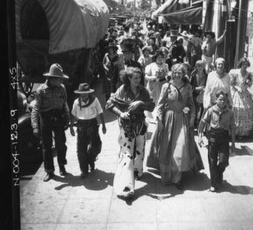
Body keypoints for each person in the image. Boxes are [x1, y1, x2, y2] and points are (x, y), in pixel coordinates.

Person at [147, 64, 204, 189]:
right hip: (168, 119)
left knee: (181, 146)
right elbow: (160, 105)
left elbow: (191, 104)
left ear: (183, 74)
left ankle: (177, 178)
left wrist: (192, 117)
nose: (177, 75)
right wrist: (160, 120)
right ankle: (170, 174)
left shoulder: (188, 87)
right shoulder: (166, 86)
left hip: (182, 119)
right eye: (175, 72)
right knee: (168, 147)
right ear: (172, 73)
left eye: (180, 72)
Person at [106, 67, 155, 200]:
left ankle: (137, 172)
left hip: (140, 126)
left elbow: (152, 106)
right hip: (126, 127)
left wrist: (141, 103)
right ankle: (126, 187)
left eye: (139, 78)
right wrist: (121, 113)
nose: (138, 80)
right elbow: (109, 104)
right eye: (135, 78)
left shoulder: (144, 91)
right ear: (128, 78)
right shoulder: (122, 90)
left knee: (139, 152)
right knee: (127, 155)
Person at [31, 63, 71, 181]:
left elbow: (65, 104)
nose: (61, 81)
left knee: (61, 144)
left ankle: (62, 166)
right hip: (46, 120)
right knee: (46, 146)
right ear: (52, 79)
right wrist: (35, 127)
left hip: (58, 118)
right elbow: (36, 109)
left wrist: (67, 119)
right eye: (59, 79)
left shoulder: (62, 88)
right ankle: (49, 171)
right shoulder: (41, 91)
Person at [198, 91, 235, 192]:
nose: (222, 101)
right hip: (213, 137)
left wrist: (233, 144)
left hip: (224, 138)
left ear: (227, 101)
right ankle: (213, 183)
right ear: (216, 100)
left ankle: (219, 172)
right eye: (220, 99)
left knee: (223, 161)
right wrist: (200, 136)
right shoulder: (210, 110)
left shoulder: (230, 112)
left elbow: (232, 128)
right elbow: (203, 122)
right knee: (212, 161)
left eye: (224, 100)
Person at [70, 83, 106, 178]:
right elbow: (73, 115)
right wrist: (71, 128)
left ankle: (91, 160)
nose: (84, 95)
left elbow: (100, 112)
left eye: (86, 93)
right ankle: (84, 170)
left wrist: (103, 125)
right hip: (81, 126)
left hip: (92, 125)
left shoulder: (95, 100)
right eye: (82, 93)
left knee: (96, 146)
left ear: (89, 93)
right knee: (81, 149)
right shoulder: (76, 102)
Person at [229, 57, 253, 138]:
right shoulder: (235, 73)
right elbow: (231, 83)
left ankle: (242, 133)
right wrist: (237, 88)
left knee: (246, 110)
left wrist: (248, 83)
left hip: (245, 93)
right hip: (237, 94)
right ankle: (235, 132)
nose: (245, 66)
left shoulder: (248, 74)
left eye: (246, 64)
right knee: (236, 110)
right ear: (240, 64)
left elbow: (250, 85)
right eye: (243, 64)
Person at [189, 60, 208, 127]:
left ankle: (200, 124)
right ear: (196, 66)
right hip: (195, 95)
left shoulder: (206, 75)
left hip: (203, 95)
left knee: (202, 110)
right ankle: (194, 123)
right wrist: (197, 88)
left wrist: (204, 89)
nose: (200, 67)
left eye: (201, 66)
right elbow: (190, 86)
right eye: (198, 66)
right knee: (195, 109)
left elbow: (208, 85)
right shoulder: (193, 75)